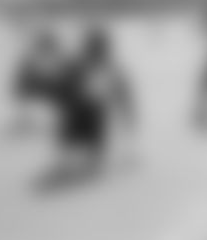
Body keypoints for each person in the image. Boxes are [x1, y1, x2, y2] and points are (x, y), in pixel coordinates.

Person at [42, 24, 138, 186]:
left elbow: (122, 93)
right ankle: (70, 160)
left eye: (98, 48)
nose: (95, 52)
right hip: (78, 112)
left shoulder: (110, 68)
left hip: (93, 114)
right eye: (93, 47)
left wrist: (128, 114)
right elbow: (61, 87)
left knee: (89, 120)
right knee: (74, 120)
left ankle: (89, 159)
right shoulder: (78, 65)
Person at [8, 26, 65, 136]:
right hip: (37, 86)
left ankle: (63, 123)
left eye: (47, 44)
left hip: (51, 86)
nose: (45, 47)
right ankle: (24, 121)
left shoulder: (57, 57)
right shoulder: (32, 58)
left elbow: (61, 75)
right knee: (24, 87)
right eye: (43, 44)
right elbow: (24, 76)